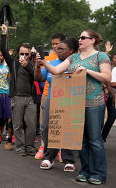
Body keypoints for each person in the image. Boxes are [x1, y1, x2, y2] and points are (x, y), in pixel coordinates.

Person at [39, 29, 110, 185]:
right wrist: (44, 62)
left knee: (95, 140)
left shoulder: (101, 56)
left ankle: (98, 173)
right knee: (81, 140)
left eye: (83, 37)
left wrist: (88, 71)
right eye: (79, 37)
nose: (80, 39)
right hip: (75, 104)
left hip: (94, 103)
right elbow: (57, 70)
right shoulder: (74, 57)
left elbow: (107, 77)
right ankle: (85, 171)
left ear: (92, 40)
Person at [35, 38, 79, 172]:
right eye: (57, 48)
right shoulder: (51, 63)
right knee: (48, 127)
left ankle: (69, 160)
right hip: (52, 98)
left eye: (62, 49)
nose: (58, 51)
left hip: (71, 100)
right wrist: (38, 65)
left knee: (68, 128)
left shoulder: (77, 64)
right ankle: (49, 157)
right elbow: (38, 78)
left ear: (71, 51)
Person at [0, 25, 38, 156]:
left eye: (27, 54)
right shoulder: (13, 63)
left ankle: (30, 146)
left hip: (31, 98)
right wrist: (4, 34)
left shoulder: (33, 65)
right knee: (17, 124)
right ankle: (21, 147)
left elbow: (36, 76)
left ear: (30, 54)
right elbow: (3, 50)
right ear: (18, 53)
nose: (24, 56)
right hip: (17, 97)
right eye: (22, 53)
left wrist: (27, 66)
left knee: (32, 124)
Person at [35, 33, 66, 160]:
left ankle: (59, 149)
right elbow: (38, 77)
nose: (54, 46)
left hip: (64, 97)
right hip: (47, 94)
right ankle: (43, 147)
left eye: (57, 44)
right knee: (45, 125)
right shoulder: (48, 57)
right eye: (52, 44)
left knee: (60, 124)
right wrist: (38, 64)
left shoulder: (69, 58)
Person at [102, 53, 116, 142]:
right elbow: (108, 84)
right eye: (115, 58)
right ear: (112, 59)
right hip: (110, 96)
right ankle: (102, 136)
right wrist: (114, 96)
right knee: (110, 119)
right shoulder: (110, 69)